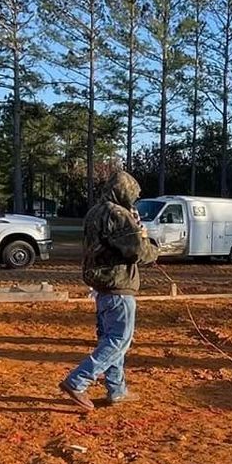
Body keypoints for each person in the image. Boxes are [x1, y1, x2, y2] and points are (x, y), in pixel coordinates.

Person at [61, 168, 158, 411]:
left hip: (102, 286)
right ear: (124, 192)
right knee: (118, 340)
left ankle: (117, 389)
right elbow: (138, 252)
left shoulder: (95, 212)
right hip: (118, 286)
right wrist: (150, 242)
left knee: (110, 338)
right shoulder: (118, 214)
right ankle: (77, 381)